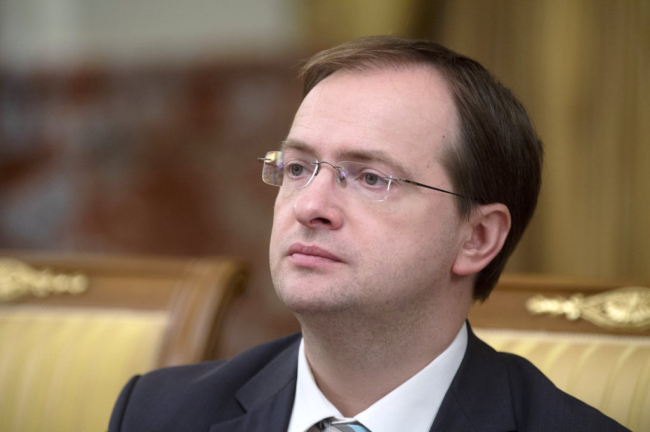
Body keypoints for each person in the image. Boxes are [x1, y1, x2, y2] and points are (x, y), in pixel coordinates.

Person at [108, 36, 628, 432]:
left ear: (477, 237)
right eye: (297, 168)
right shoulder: (158, 413)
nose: (310, 206)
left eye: (371, 178)